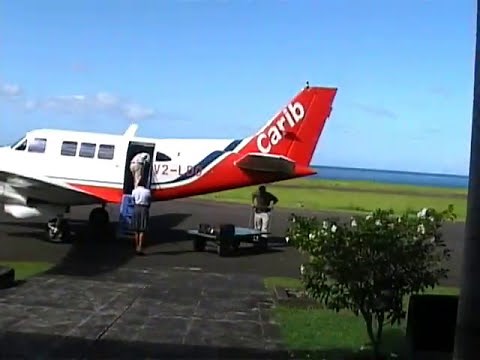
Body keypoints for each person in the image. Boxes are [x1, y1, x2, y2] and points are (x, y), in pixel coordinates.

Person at [131, 179, 152, 255]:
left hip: (136, 208)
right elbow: (149, 200)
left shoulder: (134, 191)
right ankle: (140, 246)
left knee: (136, 230)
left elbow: (133, 199)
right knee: (142, 229)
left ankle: (136, 246)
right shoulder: (147, 192)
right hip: (144, 208)